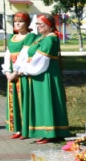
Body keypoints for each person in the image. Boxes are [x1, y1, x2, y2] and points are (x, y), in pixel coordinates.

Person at [13, 14, 69, 143]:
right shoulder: (42, 38)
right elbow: (28, 53)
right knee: (42, 102)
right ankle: (51, 132)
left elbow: (40, 60)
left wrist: (24, 69)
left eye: (40, 24)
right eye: (37, 24)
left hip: (45, 74)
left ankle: (50, 132)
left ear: (48, 25)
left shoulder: (50, 39)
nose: (37, 26)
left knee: (46, 101)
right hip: (40, 75)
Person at [2, 12, 37, 139]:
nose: (17, 23)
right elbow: (7, 55)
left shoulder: (30, 37)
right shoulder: (12, 37)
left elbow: (26, 55)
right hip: (11, 74)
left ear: (27, 23)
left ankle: (25, 129)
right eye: (15, 21)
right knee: (14, 101)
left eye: (20, 21)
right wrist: (7, 72)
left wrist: (16, 72)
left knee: (23, 101)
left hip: (22, 74)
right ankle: (17, 128)